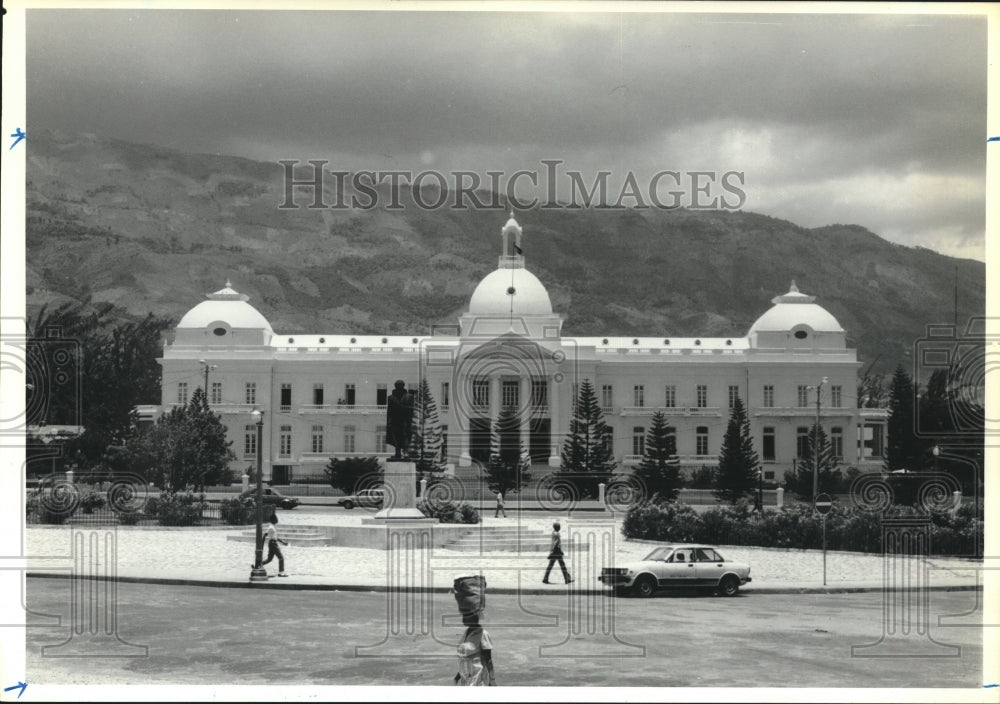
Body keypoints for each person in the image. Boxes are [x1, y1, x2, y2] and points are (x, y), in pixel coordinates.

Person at [454, 612, 496, 686]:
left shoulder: (483, 634)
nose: (463, 619)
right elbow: (466, 658)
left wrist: (492, 679)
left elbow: (488, 659)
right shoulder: (466, 632)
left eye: (465, 616)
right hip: (466, 677)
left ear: (473, 618)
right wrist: (458, 676)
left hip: (478, 677)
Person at [385, 380, 414, 460]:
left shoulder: (409, 396)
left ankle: (406, 453)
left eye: (400, 385)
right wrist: (389, 422)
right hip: (395, 420)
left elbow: (411, 409)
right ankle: (397, 453)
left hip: (404, 420)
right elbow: (389, 411)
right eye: (397, 385)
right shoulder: (390, 398)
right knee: (395, 437)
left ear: (403, 386)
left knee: (405, 436)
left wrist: (401, 407)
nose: (398, 387)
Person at [261, 513, 289, 577]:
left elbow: (276, 537)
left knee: (269, 559)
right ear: (272, 520)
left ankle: (258, 565)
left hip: (273, 543)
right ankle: (281, 573)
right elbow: (265, 535)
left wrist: (283, 542)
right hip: (273, 544)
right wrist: (261, 545)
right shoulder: (271, 527)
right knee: (281, 558)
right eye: (275, 518)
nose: (276, 519)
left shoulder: (273, 527)